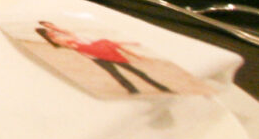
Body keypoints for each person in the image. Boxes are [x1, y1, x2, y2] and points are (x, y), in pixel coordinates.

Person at [38, 20, 175, 95]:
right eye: (48, 30)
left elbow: (68, 34)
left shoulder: (62, 34)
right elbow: (72, 42)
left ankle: (161, 87)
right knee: (116, 73)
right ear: (46, 34)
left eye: (49, 27)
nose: (51, 30)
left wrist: (54, 28)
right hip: (95, 55)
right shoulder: (58, 40)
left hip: (100, 51)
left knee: (131, 70)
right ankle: (133, 90)